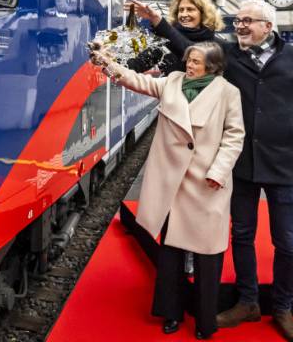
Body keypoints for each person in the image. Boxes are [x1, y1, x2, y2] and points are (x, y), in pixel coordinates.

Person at [130, 0, 293, 342]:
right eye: (237, 21)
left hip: (284, 163)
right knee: (241, 235)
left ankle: (283, 308)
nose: (239, 26)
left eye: (247, 21)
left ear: (268, 26)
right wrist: (157, 21)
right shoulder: (229, 55)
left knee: (286, 242)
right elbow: (188, 47)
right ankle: (248, 301)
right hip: (240, 165)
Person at [91, 41, 244, 340]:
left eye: (197, 62)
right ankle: (170, 313)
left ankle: (204, 319)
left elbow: (234, 135)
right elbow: (138, 80)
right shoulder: (173, 82)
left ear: (212, 67)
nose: (189, 66)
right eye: (189, 60)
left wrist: (218, 171)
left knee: (207, 256)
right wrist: (106, 62)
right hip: (173, 183)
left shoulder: (228, 92)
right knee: (171, 253)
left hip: (206, 182)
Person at [127, 0, 225, 74]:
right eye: (181, 10)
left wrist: (159, 21)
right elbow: (136, 64)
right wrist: (113, 63)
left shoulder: (217, 45)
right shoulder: (166, 41)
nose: (184, 14)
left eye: (190, 9)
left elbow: (191, 50)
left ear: (203, 14)